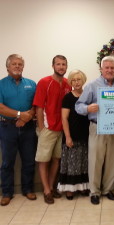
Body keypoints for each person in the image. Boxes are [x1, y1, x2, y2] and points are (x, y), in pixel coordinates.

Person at [75, 56, 114, 205]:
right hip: (97, 126)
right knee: (95, 160)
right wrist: (88, 108)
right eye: (107, 67)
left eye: (112, 68)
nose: (109, 70)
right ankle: (94, 192)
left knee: (112, 160)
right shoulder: (92, 85)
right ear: (101, 69)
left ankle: (108, 190)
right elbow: (78, 106)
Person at [33, 55, 72, 204]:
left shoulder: (68, 84)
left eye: (64, 64)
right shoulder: (44, 82)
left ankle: (52, 187)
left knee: (56, 159)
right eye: (58, 64)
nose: (61, 67)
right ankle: (46, 190)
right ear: (53, 66)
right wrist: (42, 128)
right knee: (44, 160)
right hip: (48, 129)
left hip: (62, 129)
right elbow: (39, 106)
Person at [0, 54, 37, 206]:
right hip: (7, 127)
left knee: (29, 160)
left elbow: (36, 105)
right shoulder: (1, 84)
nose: (17, 66)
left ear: (23, 67)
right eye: (14, 64)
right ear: (7, 67)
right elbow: (0, 107)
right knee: (7, 161)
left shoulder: (31, 84)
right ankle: (7, 192)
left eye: (20, 64)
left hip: (28, 127)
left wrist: (27, 117)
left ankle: (27, 189)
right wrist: (20, 115)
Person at [57, 70, 90, 200]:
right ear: (70, 82)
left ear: (83, 80)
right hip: (72, 135)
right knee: (71, 164)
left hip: (86, 135)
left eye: (79, 79)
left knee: (83, 163)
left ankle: (82, 188)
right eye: (74, 80)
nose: (76, 82)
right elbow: (64, 118)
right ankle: (70, 190)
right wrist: (68, 137)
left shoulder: (88, 96)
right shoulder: (68, 98)